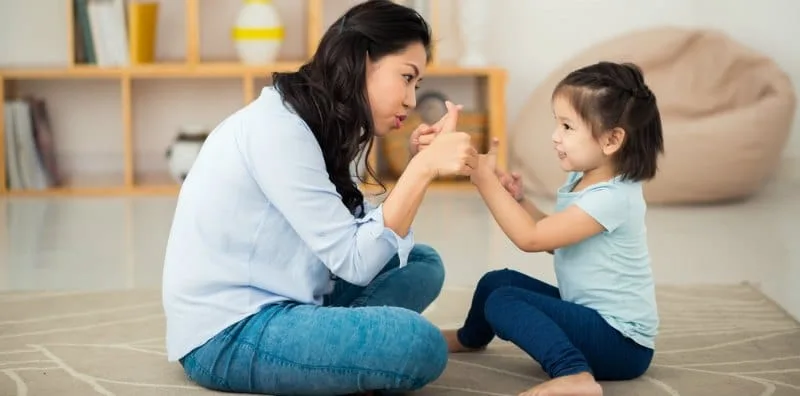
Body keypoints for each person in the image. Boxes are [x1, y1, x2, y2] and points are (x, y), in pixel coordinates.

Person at [160, 1, 479, 394]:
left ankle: (334, 357)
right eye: (407, 78)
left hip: (296, 293)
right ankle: (340, 355)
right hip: (229, 331)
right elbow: (355, 261)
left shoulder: (323, 120)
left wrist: (418, 166)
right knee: (421, 345)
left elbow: (355, 238)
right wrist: (422, 170)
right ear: (363, 61)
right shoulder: (279, 130)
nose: (413, 100)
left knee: (422, 263)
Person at [440, 61, 663, 396]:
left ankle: (574, 374)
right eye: (557, 123)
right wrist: (518, 201)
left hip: (621, 344)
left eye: (568, 127)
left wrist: (484, 181)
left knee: (504, 301)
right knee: (497, 282)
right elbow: (555, 236)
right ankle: (469, 338)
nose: (555, 136)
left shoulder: (613, 198)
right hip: (589, 317)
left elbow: (530, 239)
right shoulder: (583, 180)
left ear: (612, 139)